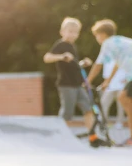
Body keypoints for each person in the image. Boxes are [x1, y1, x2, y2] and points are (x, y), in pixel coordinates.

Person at [42, 17, 108, 146]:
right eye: (70, 31)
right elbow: (47, 57)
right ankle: (58, 136)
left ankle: (92, 138)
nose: (72, 34)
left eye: (75, 32)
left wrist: (82, 63)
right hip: (66, 85)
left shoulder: (72, 46)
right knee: (67, 113)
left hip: (78, 84)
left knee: (88, 109)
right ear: (62, 32)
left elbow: (73, 65)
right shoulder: (60, 44)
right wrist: (61, 56)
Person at [87, 19, 132, 146]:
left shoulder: (108, 43)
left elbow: (98, 65)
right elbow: (117, 65)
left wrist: (88, 80)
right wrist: (107, 81)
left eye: (96, 35)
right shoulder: (120, 41)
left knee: (124, 98)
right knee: (124, 98)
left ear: (102, 34)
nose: (97, 38)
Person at [100, 59, 126, 127]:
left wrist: (127, 79)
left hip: (121, 85)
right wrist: (105, 83)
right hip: (110, 86)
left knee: (121, 105)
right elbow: (106, 75)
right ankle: (104, 122)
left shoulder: (123, 57)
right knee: (103, 103)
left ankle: (119, 122)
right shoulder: (107, 59)